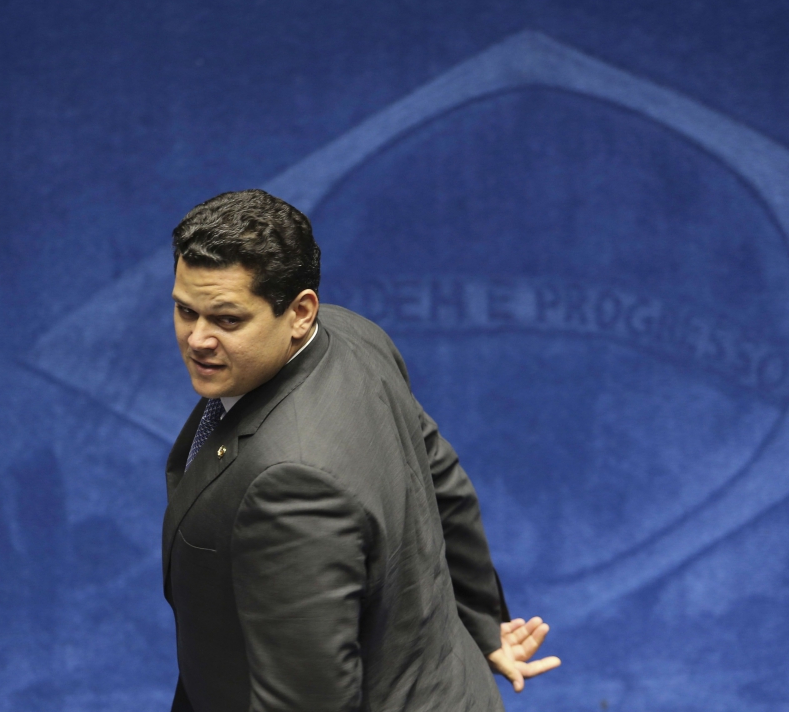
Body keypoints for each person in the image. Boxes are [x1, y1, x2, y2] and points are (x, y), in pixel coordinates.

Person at [162, 190, 559, 712]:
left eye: (227, 320)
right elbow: (443, 483)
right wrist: (484, 626)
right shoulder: (353, 336)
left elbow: (308, 700)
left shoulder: (288, 484)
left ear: (300, 312)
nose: (197, 339)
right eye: (185, 311)